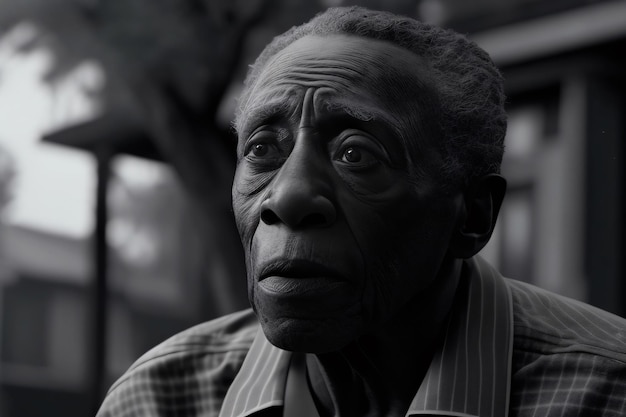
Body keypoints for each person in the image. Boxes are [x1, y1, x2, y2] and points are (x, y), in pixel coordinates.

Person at [97, 6, 626, 417]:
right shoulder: (160, 400)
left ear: (472, 217)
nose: (287, 198)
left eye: (357, 154)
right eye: (261, 150)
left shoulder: (606, 393)